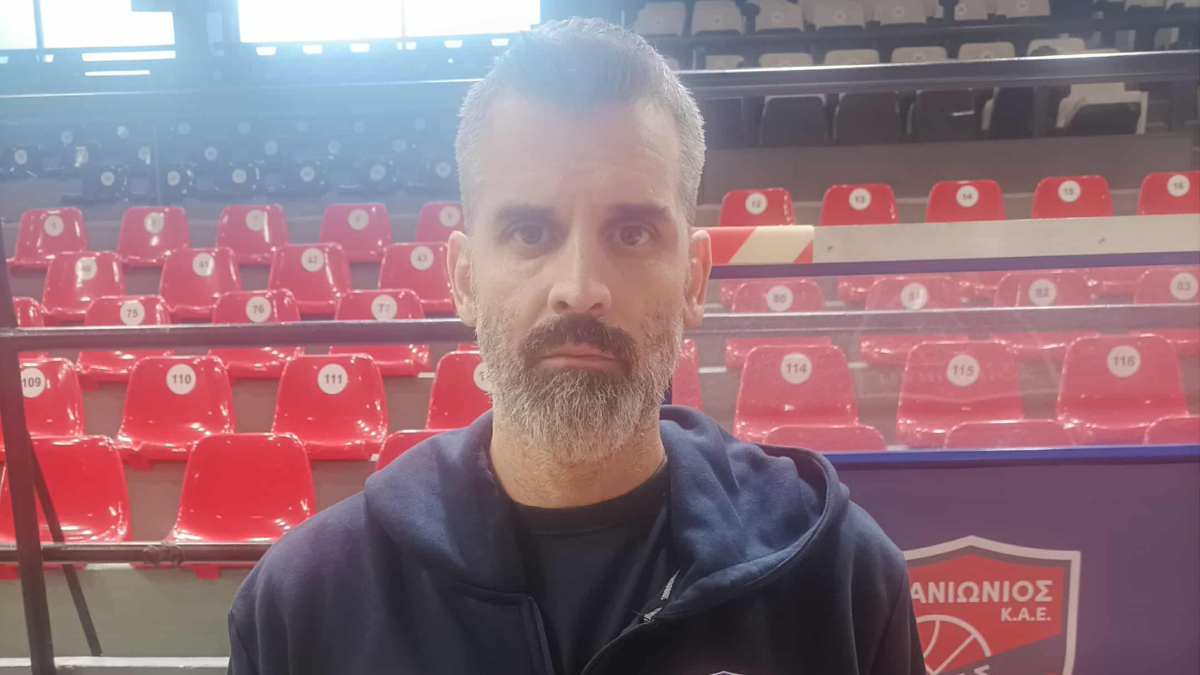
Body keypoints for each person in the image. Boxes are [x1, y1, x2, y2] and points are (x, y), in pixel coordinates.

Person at [228, 18, 923, 675]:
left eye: (632, 233)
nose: (581, 289)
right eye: (530, 232)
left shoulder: (840, 577)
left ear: (693, 279)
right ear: (464, 279)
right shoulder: (305, 602)